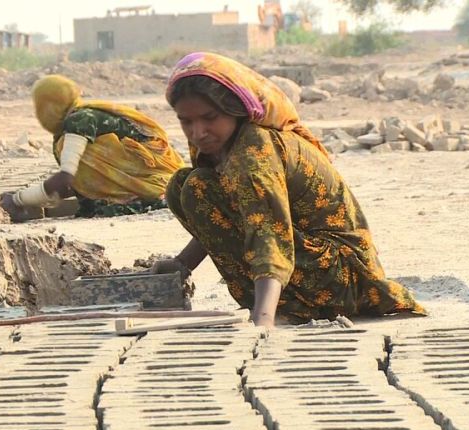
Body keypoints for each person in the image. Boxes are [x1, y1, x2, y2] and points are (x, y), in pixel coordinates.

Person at [153, 52, 426, 328]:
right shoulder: (216, 145)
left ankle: (284, 307)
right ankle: (284, 304)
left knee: (197, 188)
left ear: (234, 110)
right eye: (186, 121)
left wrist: (263, 321)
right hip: (307, 264)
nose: (198, 132)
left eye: (209, 118)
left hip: (343, 277)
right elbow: (224, 215)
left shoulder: (254, 151)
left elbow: (268, 232)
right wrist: (182, 264)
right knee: (182, 184)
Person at [0, 75, 185, 219]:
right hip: (158, 180)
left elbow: (66, 178)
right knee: (90, 206)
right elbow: (71, 186)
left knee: (102, 209)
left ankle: (148, 200)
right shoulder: (76, 121)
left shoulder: (80, 119)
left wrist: (18, 199)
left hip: (155, 184)